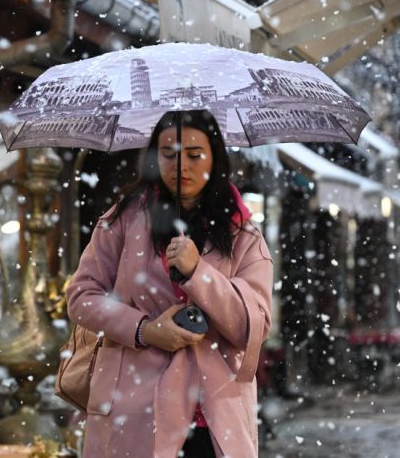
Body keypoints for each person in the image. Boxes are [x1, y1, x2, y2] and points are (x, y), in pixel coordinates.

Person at [66, 110, 274, 457]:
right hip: (134, 410)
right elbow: (82, 297)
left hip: (213, 414)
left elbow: (253, 328)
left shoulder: (243, 234)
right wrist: (145, 330)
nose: (181, 167)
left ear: (214, 157)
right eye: (169, 155)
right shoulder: (123, 220)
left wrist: (199, 274)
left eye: (194, 155)